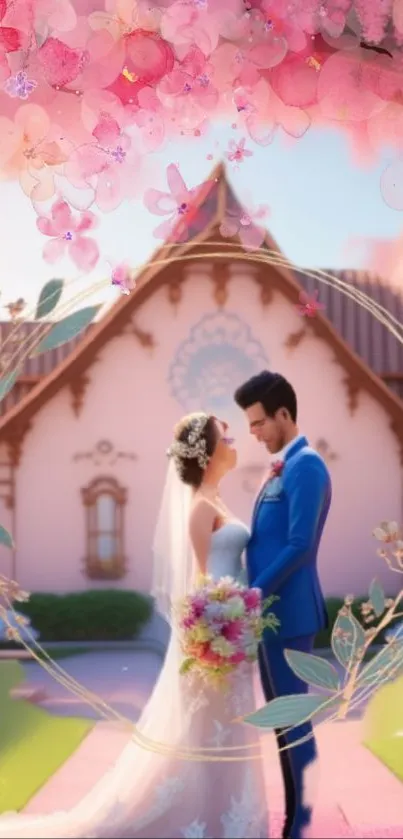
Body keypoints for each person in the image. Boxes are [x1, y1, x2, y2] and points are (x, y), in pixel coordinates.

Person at [0, 412, 269, 839]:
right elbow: (200, 584)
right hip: (216, 635)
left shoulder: (217, 498)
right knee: (207, 730)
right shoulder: (201, 506)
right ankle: (204, 820)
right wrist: (218, 630)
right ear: (208, 451)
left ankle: (226, 815)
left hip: (235, 632)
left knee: (227, 726)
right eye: (228, 438)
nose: (236, 443)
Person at [234, 371, 332, 839]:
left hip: (287, 613)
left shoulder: (306, 465)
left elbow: (299, 544)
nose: (254, 433)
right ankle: (296, 817)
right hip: (271, 615)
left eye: (258, 423)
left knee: (293, 722)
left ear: (284, 415)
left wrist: (254, 592)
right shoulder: (285, 464)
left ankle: (303, 822)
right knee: (283, 722)